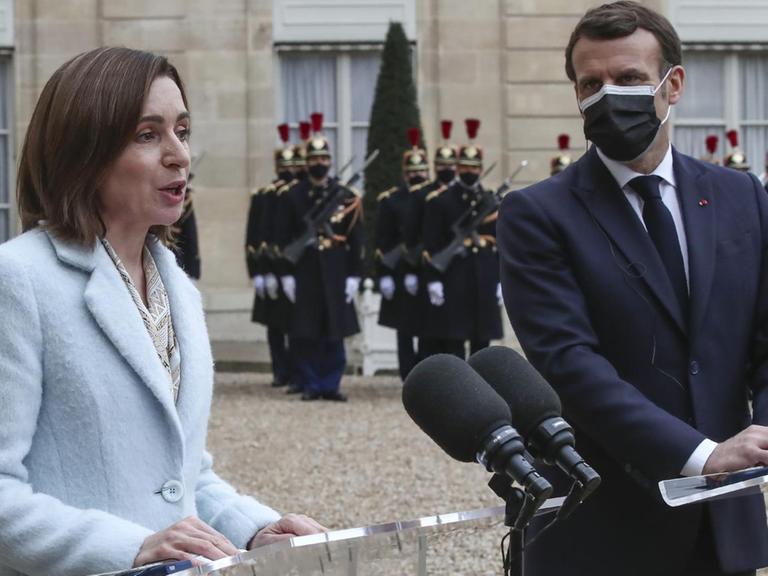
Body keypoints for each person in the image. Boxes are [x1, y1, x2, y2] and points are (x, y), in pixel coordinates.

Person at [0, 47, 325, 576]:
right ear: (84, 150)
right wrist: (130, 548)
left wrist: (253, 528)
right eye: (147, 135)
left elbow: (181, 476)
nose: (179, 154)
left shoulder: (179, 289)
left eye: (183, 130)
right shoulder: (17, 280)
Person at [497, 3, 768, 575]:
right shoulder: (536, 214)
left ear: (674, 86)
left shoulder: (741, 196)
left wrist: (760, 440)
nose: (606, 96)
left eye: (628, 79)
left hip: (725, 526)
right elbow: (570, 363)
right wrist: (701, 455)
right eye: (590, 83)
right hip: (602, 525)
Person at [274, 112, 364, 402]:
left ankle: (331, 384)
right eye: (314, 160)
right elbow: (283, 236)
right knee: (307, 330)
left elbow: (355, 237)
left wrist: (354, 274)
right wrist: (285, 273)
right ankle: (312, 383)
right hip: (306, 268)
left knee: (334, 330)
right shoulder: (293, 195)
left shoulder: (343, 194)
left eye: (324, 159)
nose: (319, 164)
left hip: (336, 269)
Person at [421, 118, 503, 359]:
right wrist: (433, 279)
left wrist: (500, 279)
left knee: (482, 339)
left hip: (483, 275)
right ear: (457, 169)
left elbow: (501, 243)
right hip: (454, 275)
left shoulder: (489, 201)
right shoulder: (442, 201)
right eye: (465, 167)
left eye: (474, 167)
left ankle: (482, 390)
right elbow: (431, 243)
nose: (470, 172)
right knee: (453, 339)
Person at [374, 127, 429, 380]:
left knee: (430, 328)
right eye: (413, 171)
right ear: (405, 173)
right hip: (400, 269)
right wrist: (384, 273)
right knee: (404, 327)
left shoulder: (433, 197)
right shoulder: (392, 200)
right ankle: (408, 375)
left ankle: (429, 373)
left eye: (421, 171)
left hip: (428, 269)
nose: (417, 175)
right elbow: (383, 239)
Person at [246, 123, 297, 389]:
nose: (289, 171)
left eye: (293, 165)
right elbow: (255, 236)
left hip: (296, 269)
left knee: (298, 325)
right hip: (272, 268)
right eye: (284, 166)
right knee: (275, 326)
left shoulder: (298, 195)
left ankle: (297, 371)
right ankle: (281, 370)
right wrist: (258, 271)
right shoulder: (265, 196)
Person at [404, 120, 457, 361]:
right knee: (429, 330)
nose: (446, 169)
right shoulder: (424, 195)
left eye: (450, 165)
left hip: (455, 269)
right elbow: (413, 234)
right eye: (441, 165)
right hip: (429, 265)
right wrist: (413, 268)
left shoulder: (460, 196)